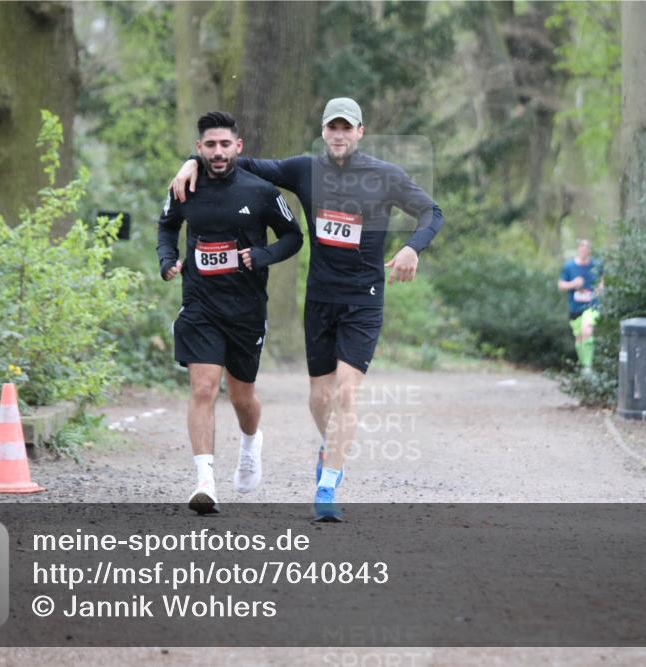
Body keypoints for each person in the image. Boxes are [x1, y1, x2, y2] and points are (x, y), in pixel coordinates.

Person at [170, 98, 444, 521]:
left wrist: (412, 247)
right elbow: (237, 161)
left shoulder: (384, 176)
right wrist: (191, 161)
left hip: (363, 299)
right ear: (323, 131)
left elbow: (431, 211)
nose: (338, 135)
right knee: (319, 399)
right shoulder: (303, 170)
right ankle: (328, 445)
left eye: (346, 128)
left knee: (346, 392)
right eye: (332, 128)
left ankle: (328, 485)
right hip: (319, 298)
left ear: (360, 132)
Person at [157, 111, 302, 515]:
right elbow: (167, 226)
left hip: (246, 309)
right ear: (199, 148)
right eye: (210, 145)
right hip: (201, 304)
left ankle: (251, 442)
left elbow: (293, 237)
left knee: (242, 398)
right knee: (203, 388)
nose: (218, 152)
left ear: (238, 146)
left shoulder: (261, 191)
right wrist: (167, 257)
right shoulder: (184, 187)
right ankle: (205, 482)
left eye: (225, 144)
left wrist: (262, 255)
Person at [557, 239, 603, 372]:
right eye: (582, 248)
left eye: (587, 248)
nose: (584, 250)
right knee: (579, 338)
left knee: (587, 330)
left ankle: (588, 366)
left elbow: (602, 281)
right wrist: (573, 284)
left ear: (589, 251)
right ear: (578, 249)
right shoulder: (569, 266)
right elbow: (561, 285)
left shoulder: (596, 265)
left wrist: (600, 289)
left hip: (592, 306)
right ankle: (584, 366)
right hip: (575, 307)